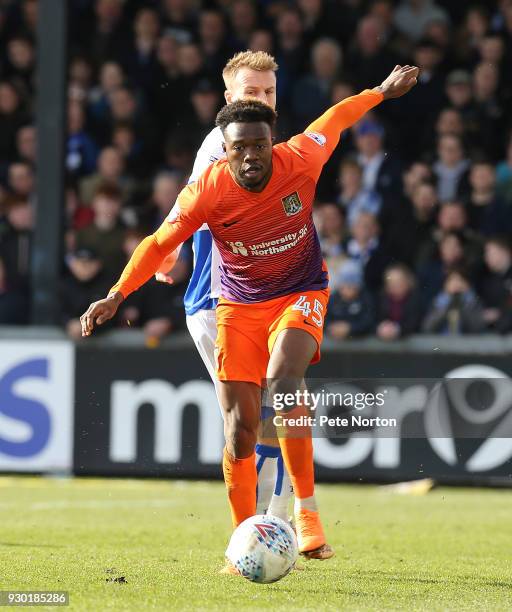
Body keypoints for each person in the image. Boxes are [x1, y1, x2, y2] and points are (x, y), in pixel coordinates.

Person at [80, 65, 419, 567]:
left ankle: (306, 510)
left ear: (271, 142)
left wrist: (381, 92)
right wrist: (115, 294)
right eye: (240, 148)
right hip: (237, 305)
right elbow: (158, 244)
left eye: (259, 145)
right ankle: (244, 536)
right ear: (226, 148)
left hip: (300, 292)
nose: (251, 156)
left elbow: (339, 117)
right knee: (241, 427)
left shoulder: (301, 157)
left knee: (284, 378)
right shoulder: (207, 189)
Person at [154, 52, 294, 523]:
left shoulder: (272, 145)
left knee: (277, 404)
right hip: (221, 299)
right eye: (252, 92)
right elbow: (190, 197)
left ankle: (273, 521)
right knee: (252, 418)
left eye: (269, 92)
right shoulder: (222, 144)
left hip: (267, 294)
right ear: (229, 96)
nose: (263, 100)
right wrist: (167, 246)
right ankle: (263, 524)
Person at [326, 260, 375, 339]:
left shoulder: (366, 298)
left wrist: (350, 328)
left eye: (351, 286)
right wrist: (332, 327)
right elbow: (323, 319)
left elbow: (368, 321)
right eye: (345, 285)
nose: (347, 289)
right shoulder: (332, 298)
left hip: (360, 342)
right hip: (334, 340)